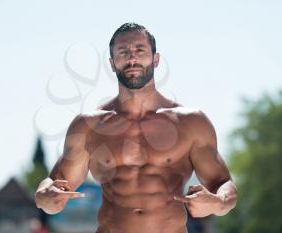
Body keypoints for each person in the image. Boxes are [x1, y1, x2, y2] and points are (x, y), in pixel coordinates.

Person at [35, 22, 237, 233]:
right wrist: (44, 196)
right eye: (123, 52)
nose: (132, 58)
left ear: (156, 59)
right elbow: (54, 187)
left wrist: (219, 202)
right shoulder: (90, 126)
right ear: (112, 63)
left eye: (140, 50)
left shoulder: (191, 123)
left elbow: (224, 183)